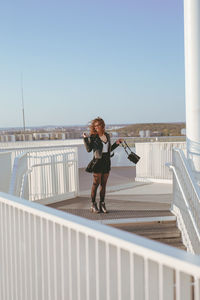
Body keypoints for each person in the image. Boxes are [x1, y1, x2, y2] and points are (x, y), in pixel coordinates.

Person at [83, 117, 123, 213]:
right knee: (96, 183)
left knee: (103, 185)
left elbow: (108, 150)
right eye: (95, 126)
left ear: (103, 126)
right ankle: (93, 204)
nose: (97, 127)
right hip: (97, 162)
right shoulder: (93, 137)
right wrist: (85, 139)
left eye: (99, 125)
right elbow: (88, 150)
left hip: (106, 161)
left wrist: (117, 143)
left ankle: (102, 203)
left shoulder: (107, 136)